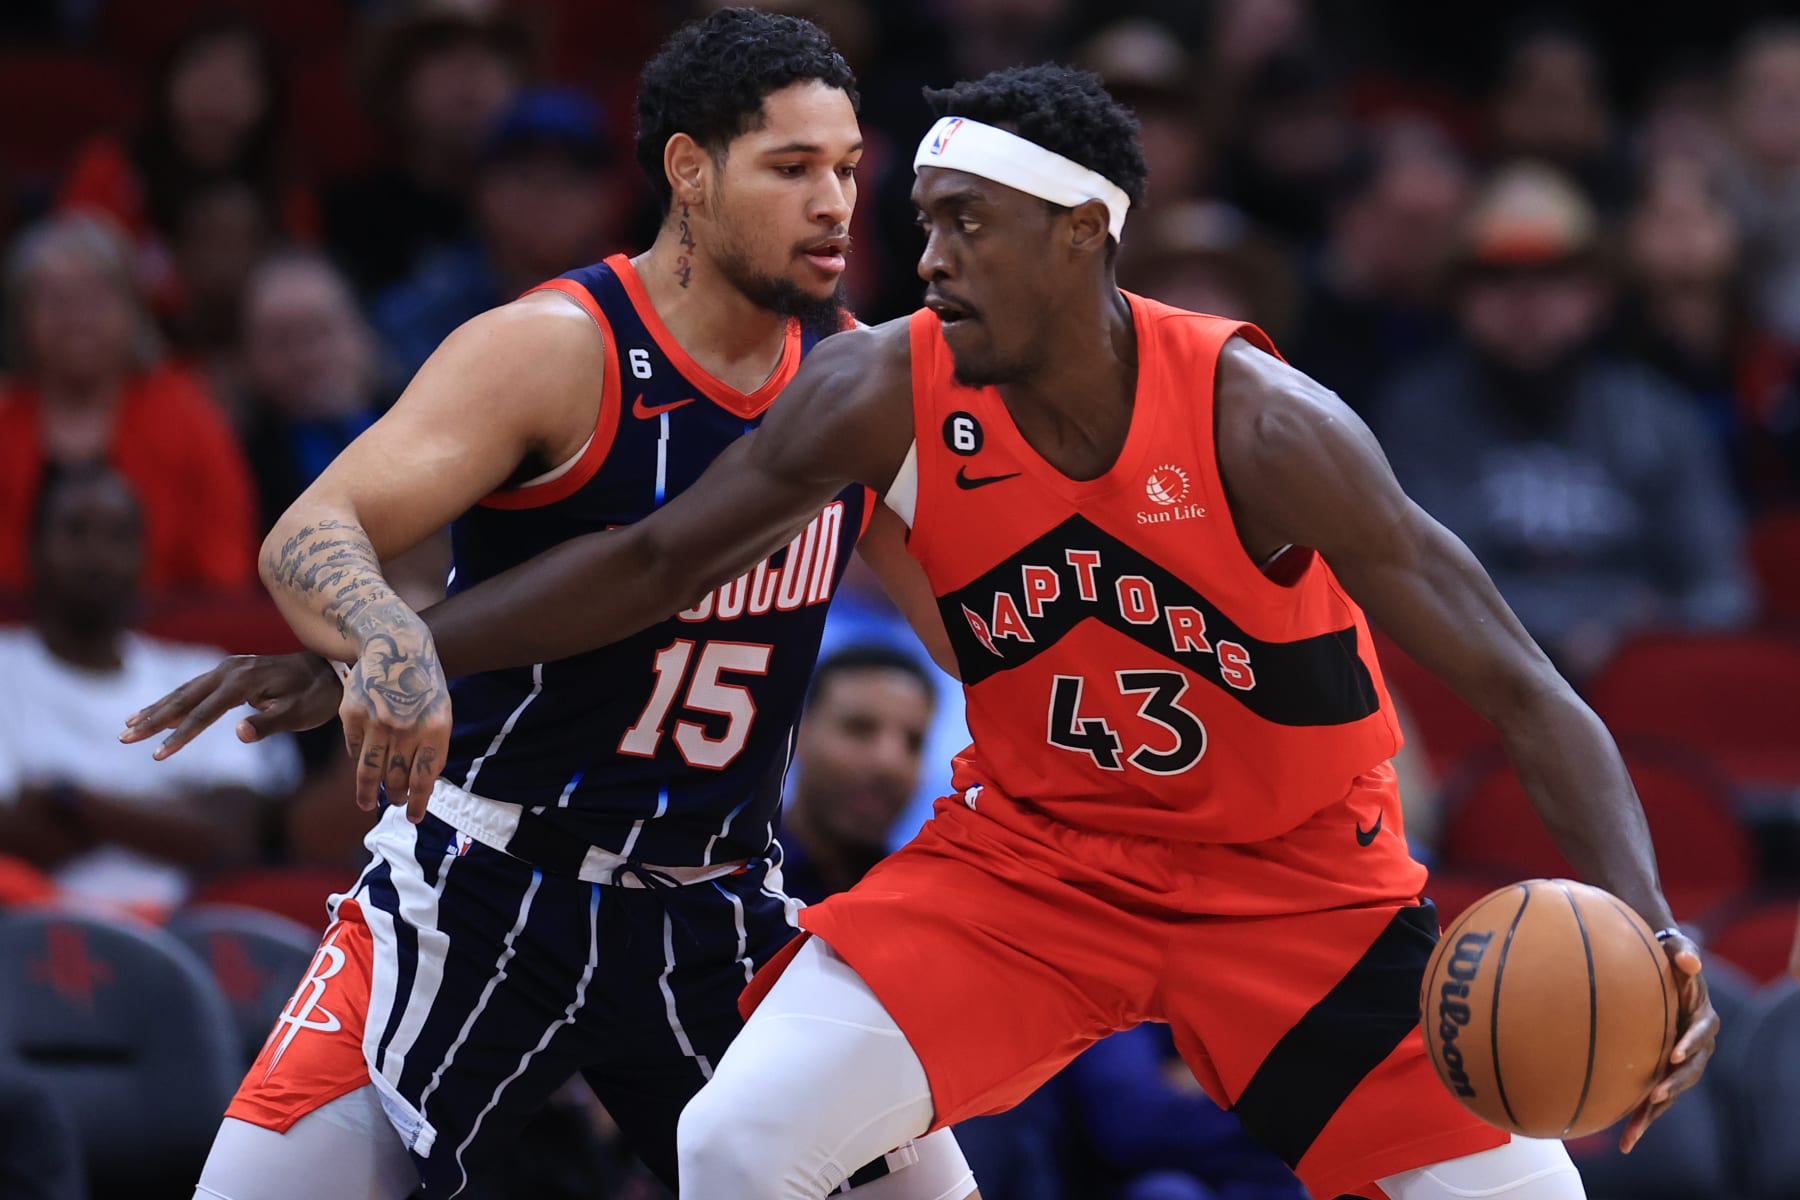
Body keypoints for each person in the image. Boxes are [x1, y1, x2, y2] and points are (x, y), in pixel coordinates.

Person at [213, 65, 1717, 1199]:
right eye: (919, 222)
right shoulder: (887, 386)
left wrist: (1650, 932)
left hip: (1295, 893)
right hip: (1033, 866)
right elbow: (657, 557)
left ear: (1079, 238)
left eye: (963, 228)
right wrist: (385, 648)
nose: (920, 261)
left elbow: (1526, 691)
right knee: (737, 1142)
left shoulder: (1266, 425)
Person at [128, 11, 971, 1200]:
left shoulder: (859, 379)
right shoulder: (558, 345)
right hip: (482, 888)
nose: (834, 202)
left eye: (846, 169)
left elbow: (978, 639)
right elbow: (313, 531)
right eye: (792, 170)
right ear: (690, 169)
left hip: (718, 909)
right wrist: (388, 644)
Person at [0, 464, 297, 920]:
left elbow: (232, 835)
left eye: (118, 536)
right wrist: (166, 815)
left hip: (183, 940)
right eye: (75, 531)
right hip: (26, 930)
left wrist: (71, 800)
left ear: (143, 555)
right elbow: (17, 835)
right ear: (34, 549)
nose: (96, 555)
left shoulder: (199, 672)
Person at [0, 213, 260, 597]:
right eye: (55, 299)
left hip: (170, 645)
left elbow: (225, 564)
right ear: (22, 319)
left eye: (94, 296)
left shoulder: (191, 419)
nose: (76, 316)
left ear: (134, 312)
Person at [778, 646, 937, 904]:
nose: (890, 762)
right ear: (799, 736)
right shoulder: (726, 880)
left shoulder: (923, 906)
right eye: (859, 729)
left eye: (913, 742)